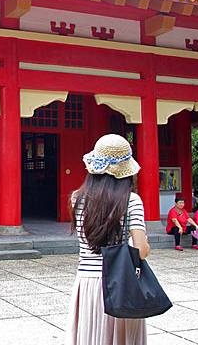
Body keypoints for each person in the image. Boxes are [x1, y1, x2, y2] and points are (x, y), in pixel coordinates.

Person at [66, 134, 150, 345]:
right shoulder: (131, 201)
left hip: (86, 282)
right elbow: (140, 250)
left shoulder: (77, 197)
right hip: (119, 282)